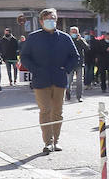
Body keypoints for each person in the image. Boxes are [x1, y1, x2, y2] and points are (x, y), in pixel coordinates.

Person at [19, 8, 80, 154]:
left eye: (53, 18)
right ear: (41, 21)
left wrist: (65, 69)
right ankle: (48, 142)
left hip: (59, 80)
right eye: (47, 19)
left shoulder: (65, 37)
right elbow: (25, 57)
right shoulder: (33, 37)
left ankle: (56, 141)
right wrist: (35, 69)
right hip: (41, 80)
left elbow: (75, 56)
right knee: (45, 110)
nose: (51, 21)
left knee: (57, 112)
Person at [65, 26, 87, 103]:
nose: (74, 33)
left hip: (79, 64)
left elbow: (87, 48)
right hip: (70, 64)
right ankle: (67, 92)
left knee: (79, 81)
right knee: (69, 80)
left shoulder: (81, 40)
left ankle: (79, 96)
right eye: (72, 32)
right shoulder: (67, 40)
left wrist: (80, 40)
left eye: (75, 32)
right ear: (70, 32)